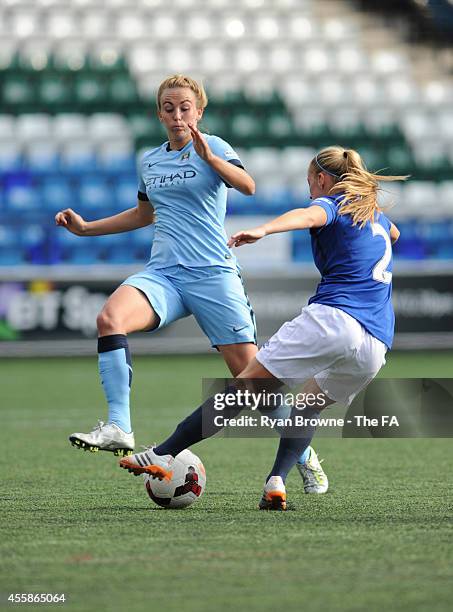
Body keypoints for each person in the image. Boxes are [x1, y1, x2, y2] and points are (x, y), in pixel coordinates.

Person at [55, 73, 328, 493]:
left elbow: (249, 187)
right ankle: (118, 427)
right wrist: (87, 228)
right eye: (169, 108)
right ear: (159, 113)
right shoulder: (150, 160)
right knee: (110, 318)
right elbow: (144, 214)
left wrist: (210, 157)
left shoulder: (214, 146)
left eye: (185, 107)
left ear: (199, 111)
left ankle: (303, 453)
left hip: (213, 276)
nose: (177, 115)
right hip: (164, 273)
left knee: (251, 380)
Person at [119, 145, 408, 510]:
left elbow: (306, 216)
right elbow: (394, 236)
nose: (310, 190)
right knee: (306, 408)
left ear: (321, 179)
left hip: (335, 318)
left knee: (243, 391)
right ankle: (276, 482)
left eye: (310, 182)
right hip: (375, 343)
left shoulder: (330, 206)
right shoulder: (374, 216)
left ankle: (163, 453)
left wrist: (264, 229)